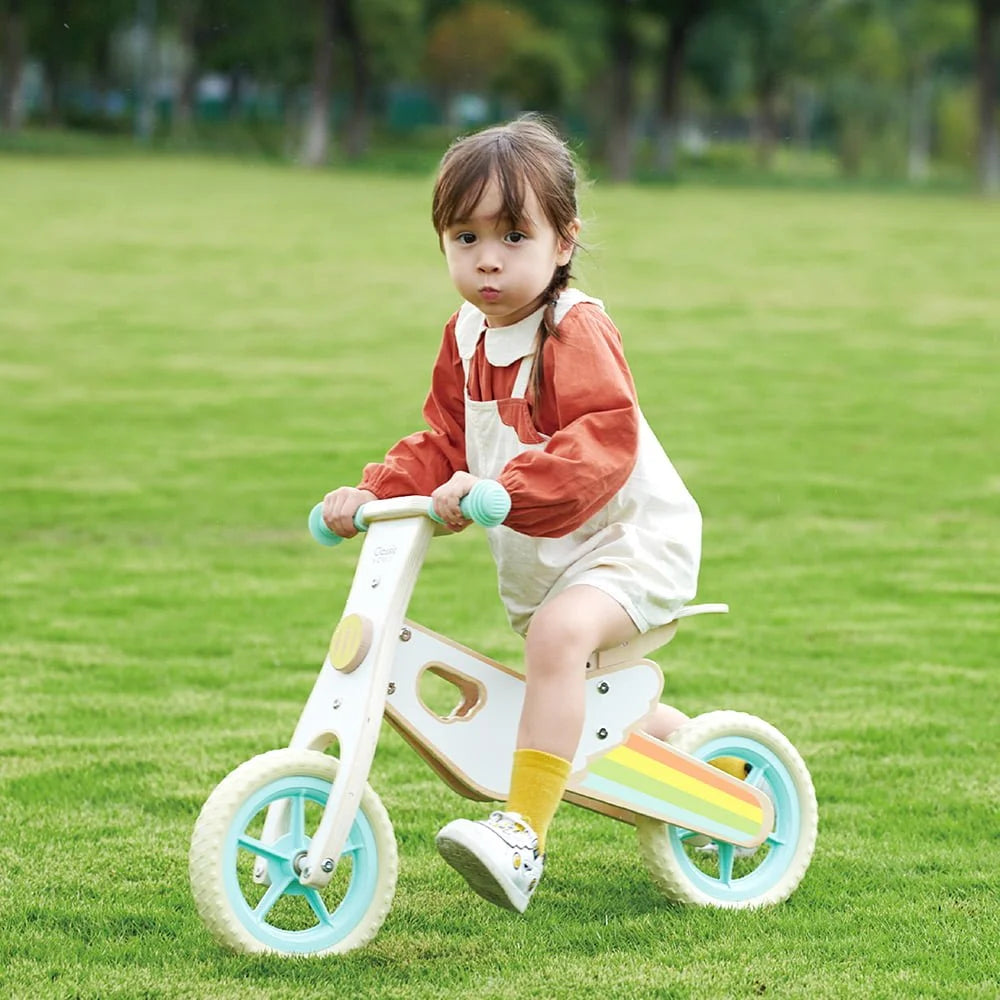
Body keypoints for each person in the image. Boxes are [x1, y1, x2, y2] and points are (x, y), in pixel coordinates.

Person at [321, 116, 702, 914]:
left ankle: (523, 836)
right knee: (576, 689)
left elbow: (604, 436)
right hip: (550, 553)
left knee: (559, 644)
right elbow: (444, 440)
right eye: (466, 236)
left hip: (628, 540)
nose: (488, 258)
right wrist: (376, 495)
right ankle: (700, 761)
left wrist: (507, 492)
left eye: (513, 235)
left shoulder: (573, 327)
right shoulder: (464, 335)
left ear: (563, 242)